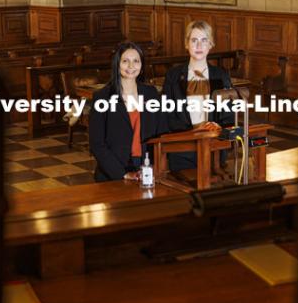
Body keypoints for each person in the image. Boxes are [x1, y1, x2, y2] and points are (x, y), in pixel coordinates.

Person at [89, 42, 166, 182]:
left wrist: (154, 167)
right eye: (125, 61)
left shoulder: (151, 94)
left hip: (145, 169)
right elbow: (97, 144)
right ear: (117, 64)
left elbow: (159, 133)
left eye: (136, 61)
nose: (131, 66)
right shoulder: (102, 97)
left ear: (142, 66)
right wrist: (122, 174)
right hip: (113, 173)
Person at [162, 20, 233, 171]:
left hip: (213, 147)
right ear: (187, 44)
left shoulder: (221, 75)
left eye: (204, 40)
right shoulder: (173, 76)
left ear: (211, 44)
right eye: (194, 40)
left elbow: (229, 114)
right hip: (182, 148)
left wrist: (218, 126)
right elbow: (166, 114)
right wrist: (193, 132)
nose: (199, 46)